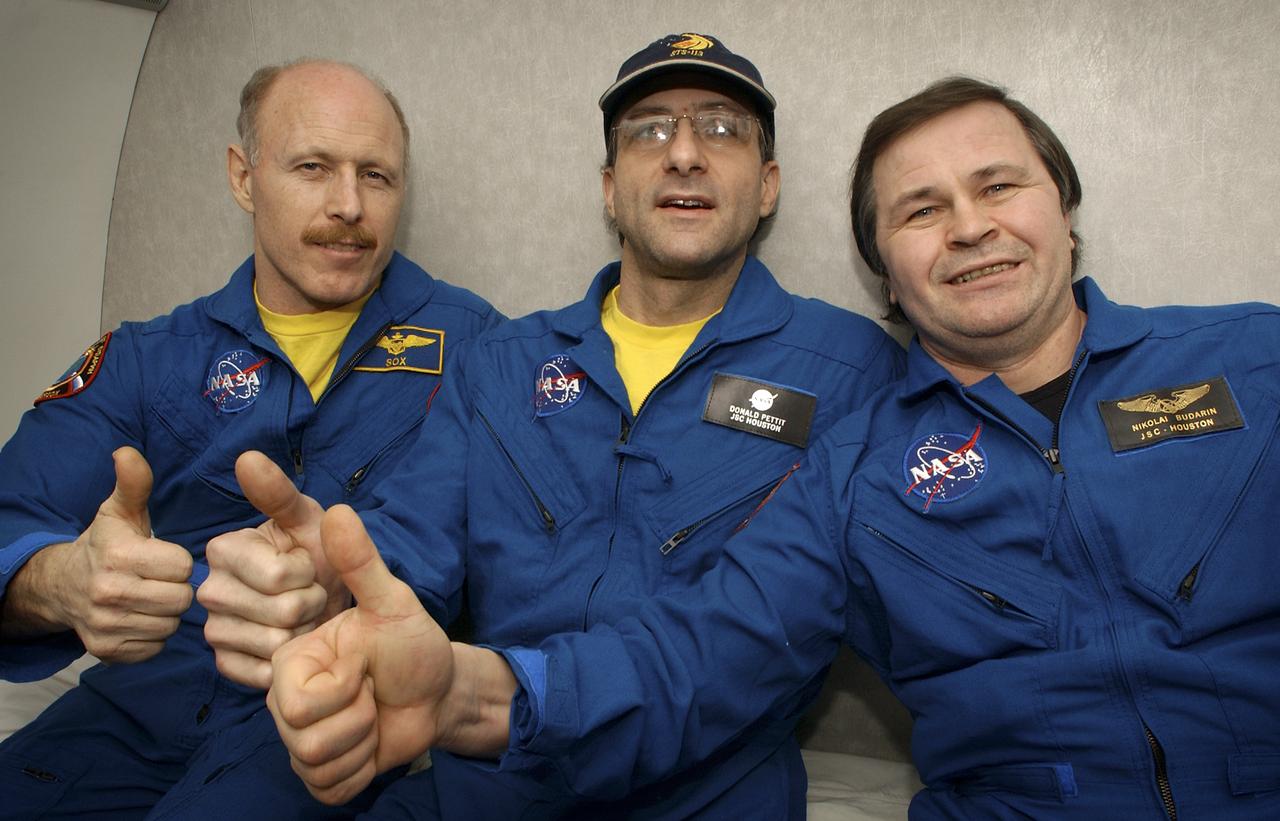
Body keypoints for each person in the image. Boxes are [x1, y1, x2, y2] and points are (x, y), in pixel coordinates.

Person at [269, 76, 1280, 819]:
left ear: (1062, 209)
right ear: (886, 272)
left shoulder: (1251, 360)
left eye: (998, 186)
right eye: (921, 210)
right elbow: (698, 652)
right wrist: (457, 685)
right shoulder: (859, 466)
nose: (970, 227)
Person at [205, 32, 904, 819]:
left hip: (705, 791)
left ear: (767, 185)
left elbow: (776, 626)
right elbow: (410, 543)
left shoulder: (854, 373)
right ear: (610, 188)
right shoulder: (502, 363)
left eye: (721, 128)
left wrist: (492, 695)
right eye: (649, 130)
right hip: (487, 785)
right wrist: (327, 583)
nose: (683, 154)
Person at [0, 59, 500, 819]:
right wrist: (60, 581)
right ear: (244, 177)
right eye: (312, 167)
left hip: (331, 709)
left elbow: (506, 553)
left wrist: (344, 583)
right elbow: (14, 511)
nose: (349, 205)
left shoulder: (482, 351)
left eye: (376, 176)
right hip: (134, 704)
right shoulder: (147, 357)